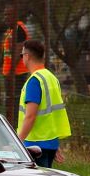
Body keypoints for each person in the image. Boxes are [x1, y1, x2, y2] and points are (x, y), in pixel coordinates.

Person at [15, 39, 70, 167]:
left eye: (21, 55)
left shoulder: (35, 81)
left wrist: (17, 143)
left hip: (34, 145)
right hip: (49, 144)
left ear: (27, 56)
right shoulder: (51, 78)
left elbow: (30, 116)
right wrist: (53, 144)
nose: (21, 58)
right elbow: (52, 115)